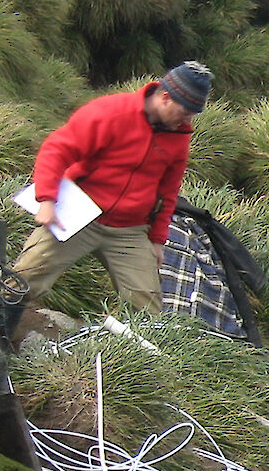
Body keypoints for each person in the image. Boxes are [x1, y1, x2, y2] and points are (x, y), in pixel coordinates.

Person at [11, 61, 212, 313]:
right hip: (77, 217)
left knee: (147, 312)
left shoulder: (178, 136)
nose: (187, 121)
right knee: (22, 282)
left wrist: (158, 240)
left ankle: (130, 352)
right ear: (165, 97)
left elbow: (168, 192)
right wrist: (47, 200)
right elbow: (56, 150)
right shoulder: (110, 112)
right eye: (185, 113)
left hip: (129, 230)